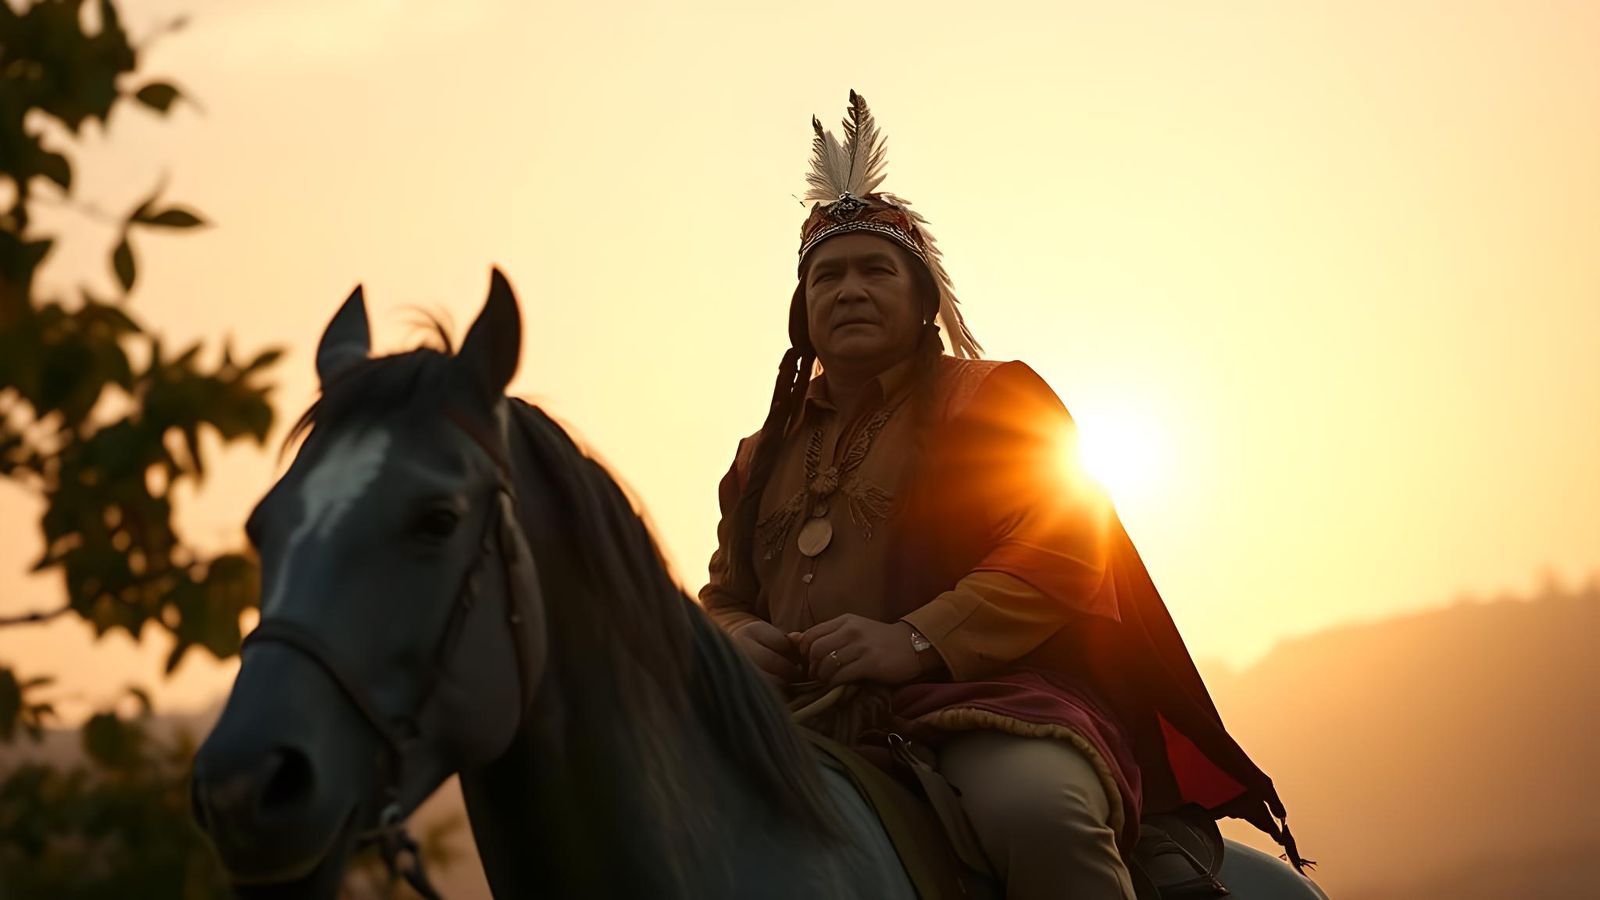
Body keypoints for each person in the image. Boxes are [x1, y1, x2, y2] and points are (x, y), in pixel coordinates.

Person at [699, 92, 1305, 900]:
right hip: (795, 717)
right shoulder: (758, 455)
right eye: (826, 277)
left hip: (983, 704)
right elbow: (726, 592)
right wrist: (730, 639)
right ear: (801, 313)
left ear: (925, 304)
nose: (848, 290)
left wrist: (912, 641)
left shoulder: (993, 396)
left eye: (876, 270)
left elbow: (1064, 542)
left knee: (1038, 816)